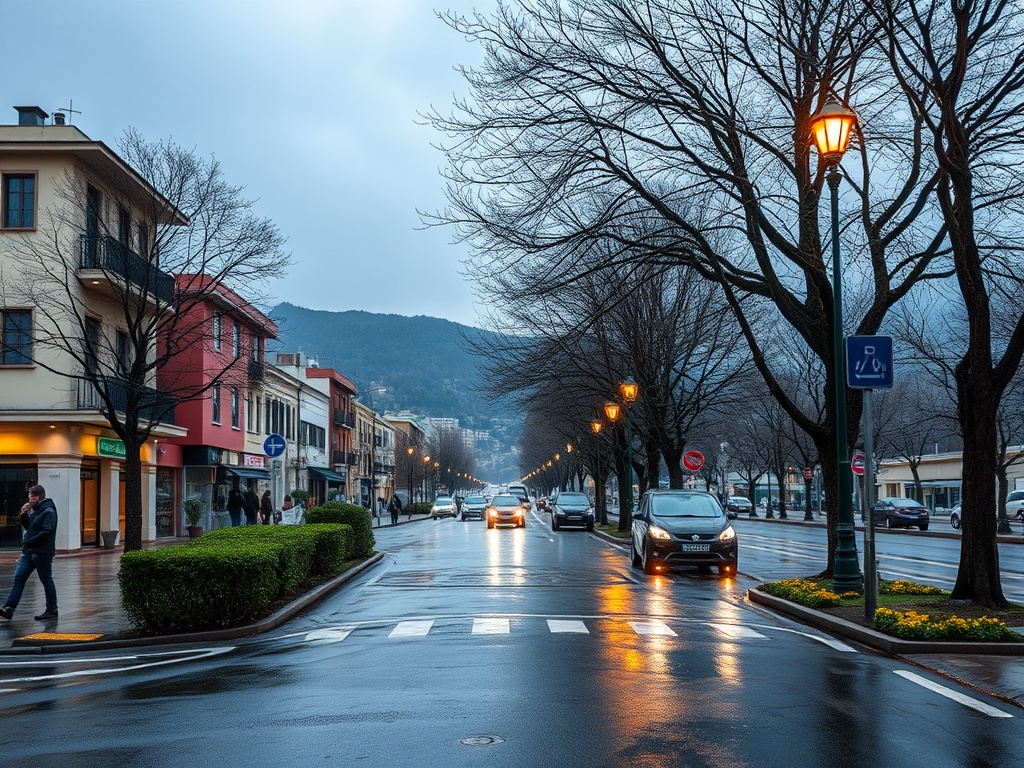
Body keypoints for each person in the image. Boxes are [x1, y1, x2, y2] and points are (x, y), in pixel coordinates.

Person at [0, 484, 59, 621]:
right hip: (29, 551)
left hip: (42, 552)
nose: (29, 500)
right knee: (19, 578)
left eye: (32, 497)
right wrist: (24, 516)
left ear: (39, 497)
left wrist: (29, 541)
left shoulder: (48, 511)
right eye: (29, 497)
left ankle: (52, 609)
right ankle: (9, 608)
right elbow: (30, 527)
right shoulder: (36, 510)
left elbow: (47, 532)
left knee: (46, 579)